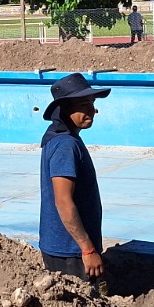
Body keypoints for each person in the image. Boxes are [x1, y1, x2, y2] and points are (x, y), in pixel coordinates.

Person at [38, 72, 112, 281]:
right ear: (66, 109)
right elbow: (63, 201)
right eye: (83, 104)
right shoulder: (65, 146)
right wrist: (88, 249)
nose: (91, 110)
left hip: (67, 249)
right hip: (71, 253)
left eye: (91, 103)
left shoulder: (60, 138)